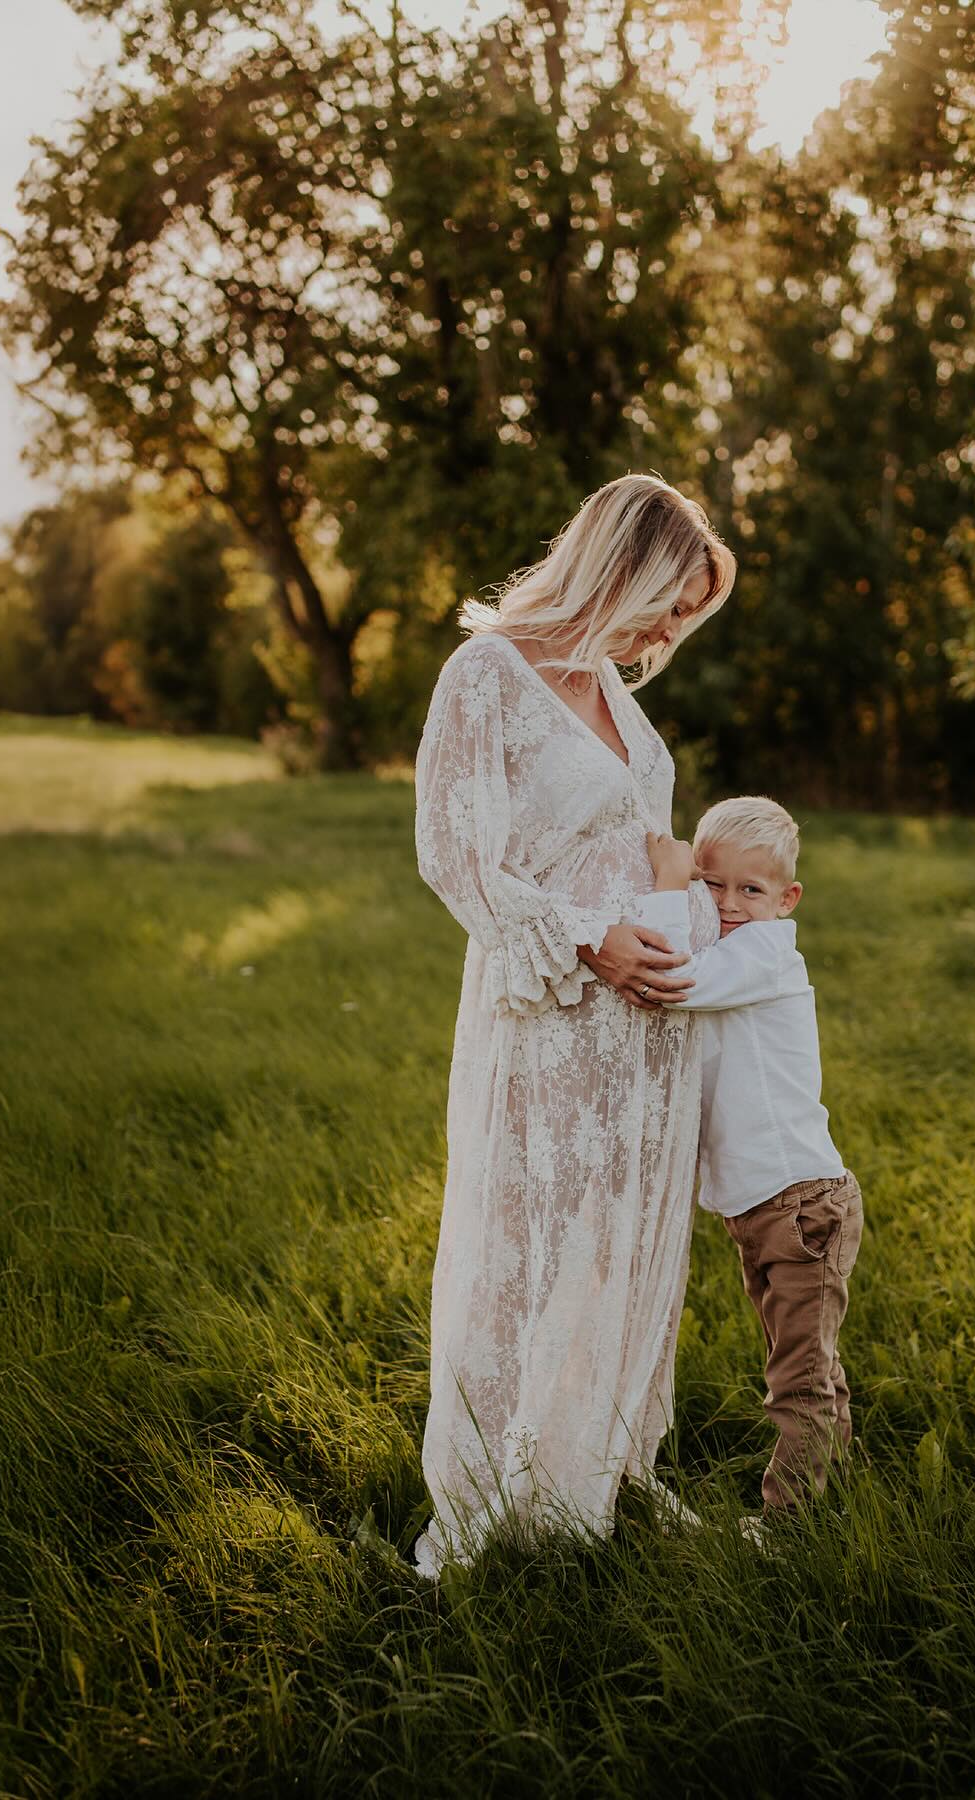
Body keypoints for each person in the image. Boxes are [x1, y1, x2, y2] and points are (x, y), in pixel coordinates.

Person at [411, 474, 735, 1570]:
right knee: (532, 1237)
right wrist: (594, 937)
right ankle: (503, 1498)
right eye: (670, 599)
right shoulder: (490, 674)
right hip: (549, 1009)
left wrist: (711, 914)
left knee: (623, 1244)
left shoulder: (611, 688)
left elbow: (645, 843)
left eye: (687, 614)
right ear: (620, 562)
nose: (670, 629)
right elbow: (458, 857)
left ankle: (600, 1474)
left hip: (644, 1028)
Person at [634, 798, 864, 1519]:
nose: (728, 905)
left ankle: (790, 1525)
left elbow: (672, 983)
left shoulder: (765, 953)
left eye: (750, 890)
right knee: (809, 1363)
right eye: (711, 884)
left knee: (796, 1380)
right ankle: (835, 1492)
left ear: (786, 899)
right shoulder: (734, 949)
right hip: (762, 1207)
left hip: (800, 1203)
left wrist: (669, 890)